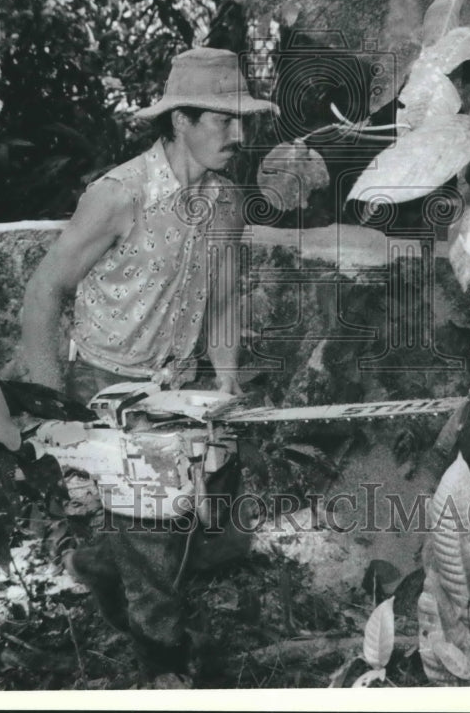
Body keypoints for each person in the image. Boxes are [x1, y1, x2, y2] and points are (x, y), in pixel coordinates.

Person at [20, 47, 278, 687]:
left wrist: (225, 378)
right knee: (157, 530)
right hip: (104, 383)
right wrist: (53, 406)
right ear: (180, 121)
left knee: (205, 510)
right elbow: (43, 292)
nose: (238, 136)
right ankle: (162, 659)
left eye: (242, 120)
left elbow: (220, 296)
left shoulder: (224, 201)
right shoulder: (118, 195)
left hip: (175, 385)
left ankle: (103, 563)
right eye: (224, 121)